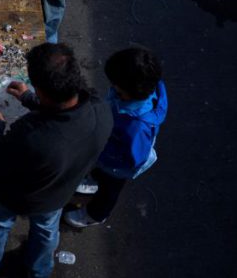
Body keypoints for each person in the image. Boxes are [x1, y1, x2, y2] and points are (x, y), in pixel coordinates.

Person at [0, 43, 112, 278]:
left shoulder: (33, 135)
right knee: (47, 231)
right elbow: (64, 112)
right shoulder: (101, 110)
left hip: (15, 196)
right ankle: (39, 271)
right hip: (59, 194)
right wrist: (29, 98)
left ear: (42, 91)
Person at [64, 47, 168, 227]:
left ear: (130, 90)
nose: (112, 87)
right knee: (98, 172)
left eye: (116, 86)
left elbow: (132, 159)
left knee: (108, 191)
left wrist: (101, 149)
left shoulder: (137, 128)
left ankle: (96, 215)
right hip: (109, 148)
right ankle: (93, 178)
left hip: (116, 167)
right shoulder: (138, 91)